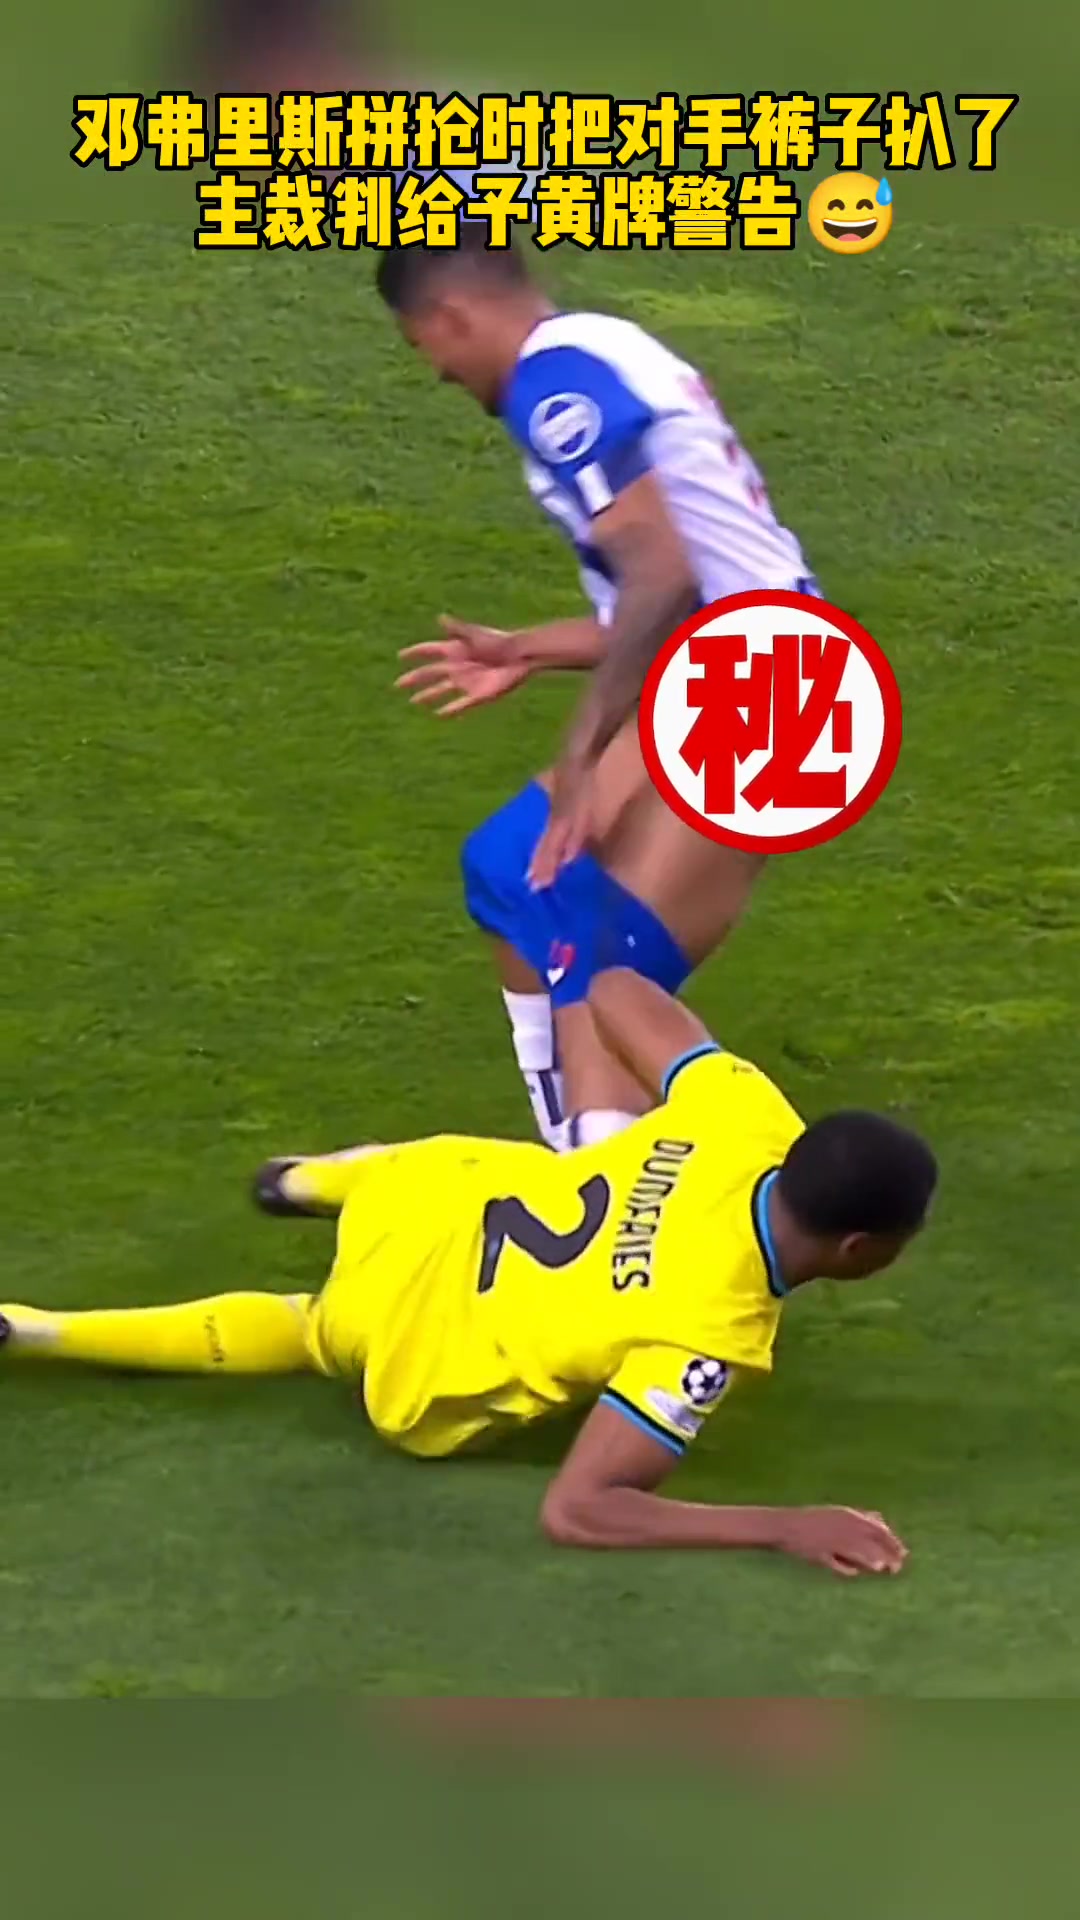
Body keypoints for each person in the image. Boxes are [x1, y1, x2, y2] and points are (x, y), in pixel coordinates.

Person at [0, 970, 935, 1576]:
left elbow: (614, 988)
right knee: (310, 1329)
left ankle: (311, 1181)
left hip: (426, 1204)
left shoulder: (748, 1118)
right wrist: (785, 1525)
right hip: (413, 1349)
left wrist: (624, 1148)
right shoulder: (704, 1338)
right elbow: (582, 1510)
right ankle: (46, 1329)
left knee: (488, 1167)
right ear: (859, 1250)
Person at [382, 230, 822, 1152]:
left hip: (769, 688)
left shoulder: (554, 388)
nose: (442, 375)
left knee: (608, 969)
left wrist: (582, 754)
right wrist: (527, 649)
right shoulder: (599, 347)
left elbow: (664, 575)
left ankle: (613, 1183)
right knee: (512, 867)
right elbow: (682, 591)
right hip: (740, 663)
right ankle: (578, 1153)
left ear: (450, 317)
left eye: (428, 351)